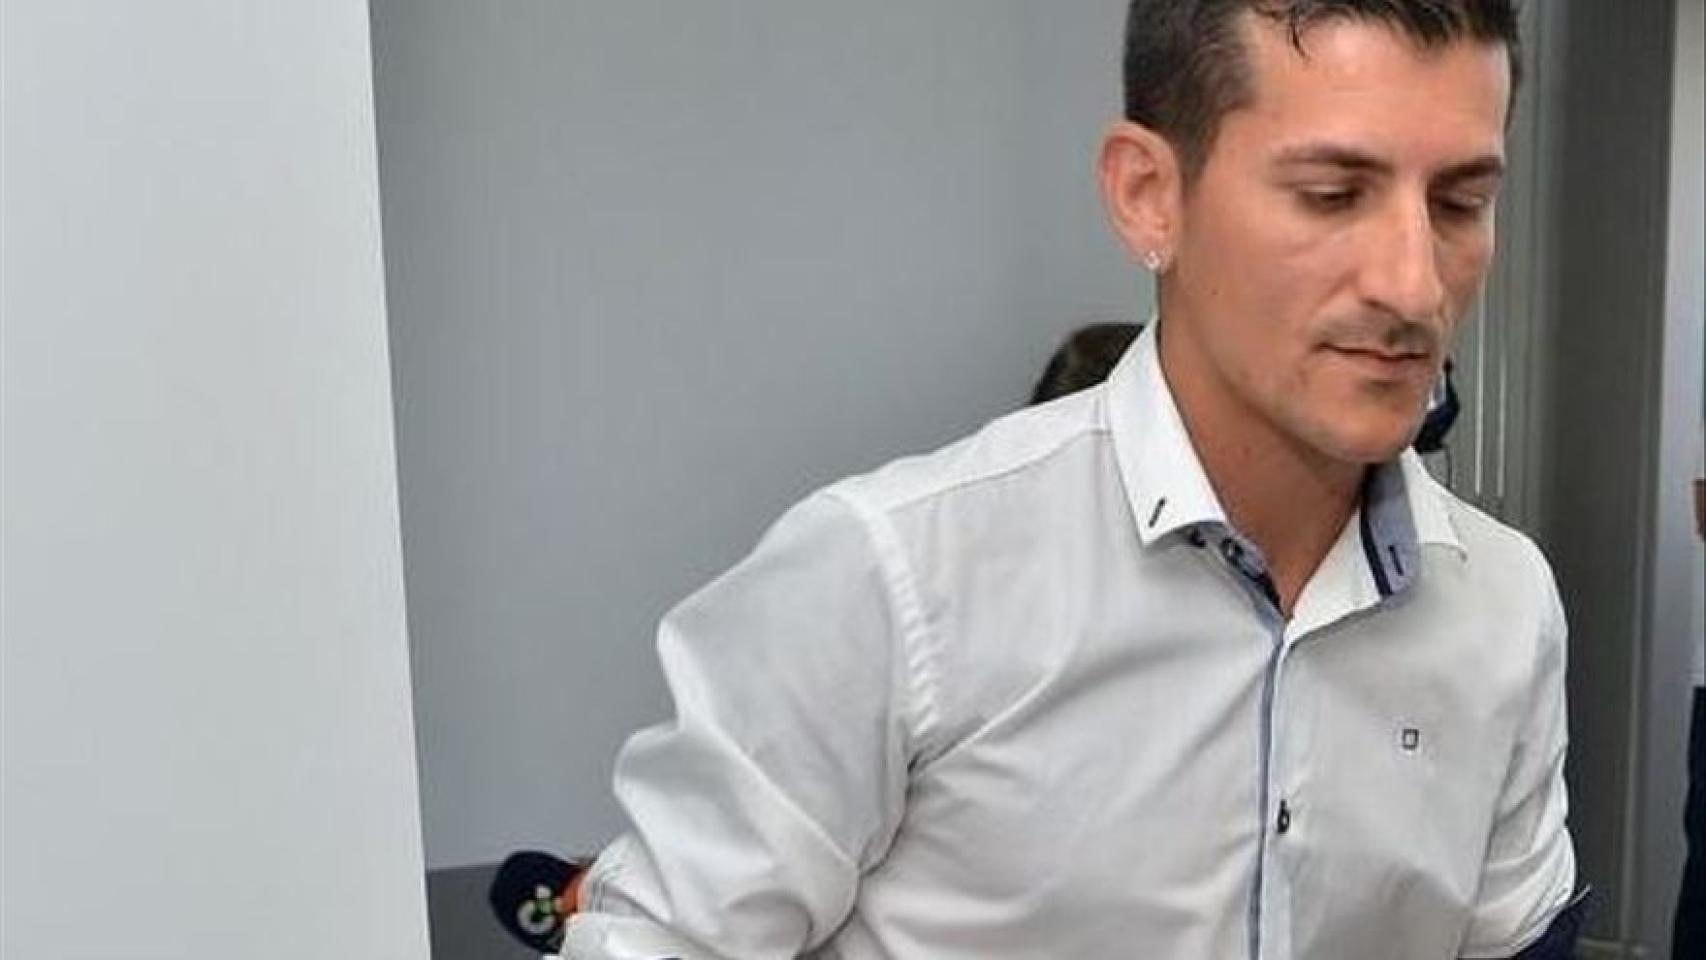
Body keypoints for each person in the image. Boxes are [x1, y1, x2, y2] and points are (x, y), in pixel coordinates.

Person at [559, 2, 1585, 957]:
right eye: (1331, 196)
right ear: (1148, 195)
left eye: (1460, 203)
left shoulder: (1502, 609)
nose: (1412, 283)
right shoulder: (894, 579)